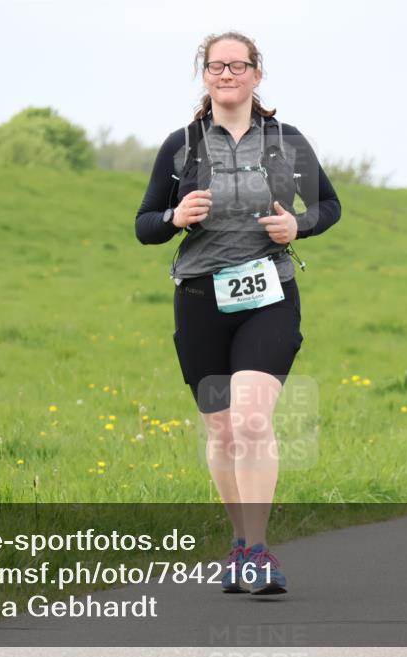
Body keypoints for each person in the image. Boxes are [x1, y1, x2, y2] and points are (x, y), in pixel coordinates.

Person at [134, 31, 341, 595]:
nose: (226, 74)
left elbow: (328, 205)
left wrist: (299, 225)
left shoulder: (287, 141)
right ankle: (240, 544)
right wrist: (175, 217)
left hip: (269, 295)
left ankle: (259, 550)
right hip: (200, 301)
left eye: (238, 65)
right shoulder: (181, 145)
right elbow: (144, 226)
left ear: (256, 74)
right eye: (216, 66)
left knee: (251, 420)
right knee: (222, 430)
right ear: (204, 75)